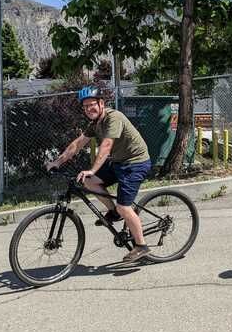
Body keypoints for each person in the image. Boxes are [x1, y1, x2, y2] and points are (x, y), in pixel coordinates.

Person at [45, 86, 153, 262]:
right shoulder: (95, 124)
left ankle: (141, 246)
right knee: (90, 181)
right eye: (85, 106)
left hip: (136, 163)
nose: (89, 109)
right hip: (118, 162)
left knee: (124, 206)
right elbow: (77, 144)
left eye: (92, 104)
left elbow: (107, 146)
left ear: (101, 103)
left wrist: (93, 169)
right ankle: (114, 212)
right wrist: (57, 162)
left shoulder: (113, 118)